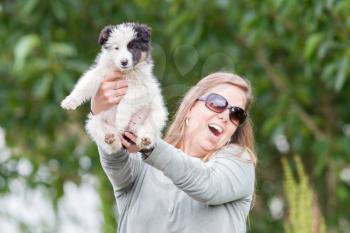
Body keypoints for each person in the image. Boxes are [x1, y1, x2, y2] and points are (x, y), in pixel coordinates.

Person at [91, 71, 257, 233]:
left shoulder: (240, 161)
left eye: (236, 114)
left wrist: (148, 144)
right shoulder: (143, 166)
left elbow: (207, 184)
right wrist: (102, 113)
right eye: (217, 103)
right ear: (190, 108)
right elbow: (114, 156)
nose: (225, 116)